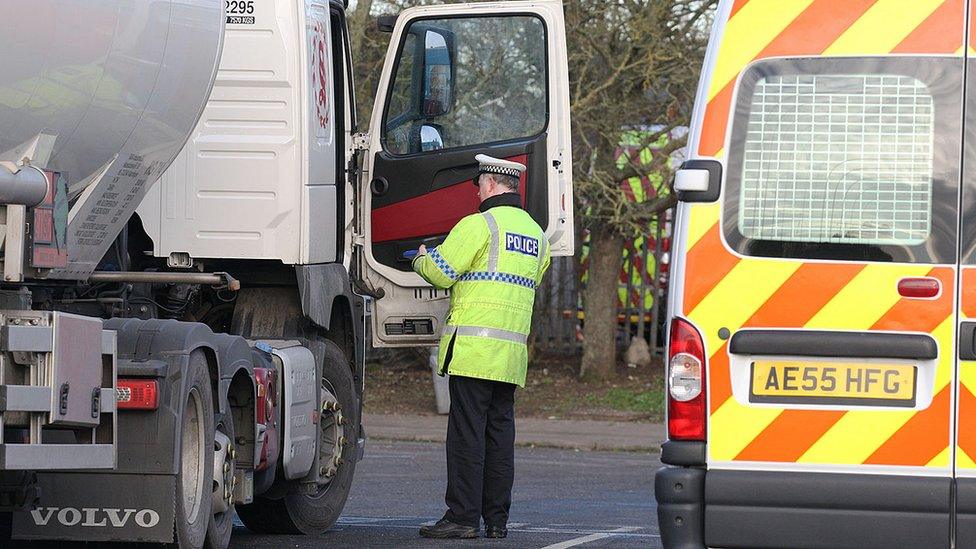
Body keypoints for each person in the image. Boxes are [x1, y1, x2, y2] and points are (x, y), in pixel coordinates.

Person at [413, 154, 551, 540]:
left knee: (466, 438)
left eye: (478, 185)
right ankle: (497, 521)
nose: (476, 191)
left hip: (474, 352)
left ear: (489, 185)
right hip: (509, 357)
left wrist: (423, 259)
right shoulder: (537, 237)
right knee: (499, 438)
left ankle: (461, 518)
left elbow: (442, 271)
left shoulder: (479, 225)